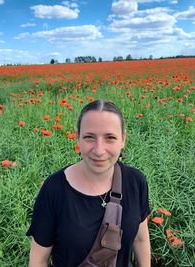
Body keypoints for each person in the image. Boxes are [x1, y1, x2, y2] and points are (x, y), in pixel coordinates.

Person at [26, 99, 151, 267]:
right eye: (89, 137)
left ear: (123, 139)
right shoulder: (54, 189)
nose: (99, 150)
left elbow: (140, 239)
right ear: (77, 138)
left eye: (110, 138)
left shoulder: (136, 182)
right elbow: (38, 260)